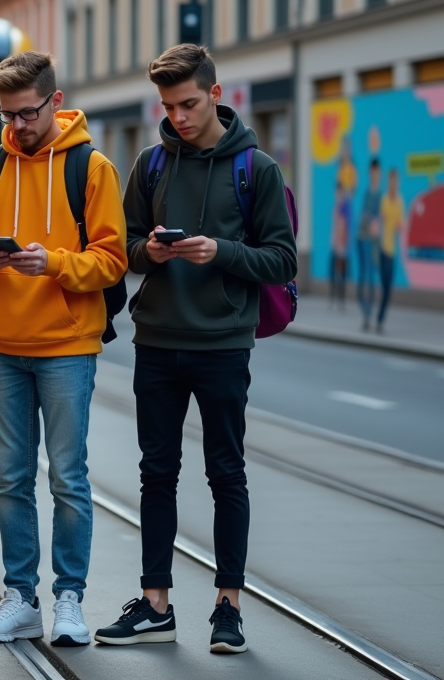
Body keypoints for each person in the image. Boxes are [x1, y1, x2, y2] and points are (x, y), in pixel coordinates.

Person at [95, 44, 296, 654]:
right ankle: (155, 606)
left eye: (187, 104)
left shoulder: (256, 169)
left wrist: (221, 252)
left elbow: (282, 260)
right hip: (157, 342)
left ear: (215, 94)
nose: (178, 117)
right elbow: (123, 249)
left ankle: (228, 607)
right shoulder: (151, 164)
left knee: (225, 473)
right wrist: (150, 252)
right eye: (168, 106)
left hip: (223, 345)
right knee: (156, 474)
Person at [0, 52, 127, 646]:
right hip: (1, 343)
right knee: (12, 479)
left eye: (27, 113)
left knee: (68, 479)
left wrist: (52, 263)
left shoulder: (92, 167)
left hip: (67, 346)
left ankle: (69, 599)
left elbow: (112, 260)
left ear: (55, 101)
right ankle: (20, 599)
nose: (18, 125)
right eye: (7, 114)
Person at [376, 167, 404, 335]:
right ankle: (379, 319)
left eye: (396, 181)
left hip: (392, 251)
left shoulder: (400, 201)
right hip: (382, 249)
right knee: (384, 285)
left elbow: (401, 222)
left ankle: (380, 319)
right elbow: (381, 219)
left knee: (388, 288)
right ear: (389, 182)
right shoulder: (385, 200)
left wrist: (401, 226)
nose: (394, 184)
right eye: (391, 181)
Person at [356, 159, 382, 330]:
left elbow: (379, 219)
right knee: (363, 278)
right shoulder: (367, 194)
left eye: (377, 172)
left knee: (371, 279)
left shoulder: (380, 196)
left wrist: (375, 222)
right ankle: (365, 313)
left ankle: (368, 314)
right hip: (362, 240)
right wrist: (370, 221)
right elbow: (364, 219)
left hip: (373, 243)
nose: (374, 175)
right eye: (372, 171)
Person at [328, 181, 351, 310]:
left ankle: (341, 300)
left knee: (341, 274)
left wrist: (341, 245)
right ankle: (332, 297)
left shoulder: (345, 207)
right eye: (337, 192)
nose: (337, 194)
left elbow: (343, 226)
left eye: (340, 192)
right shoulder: (336, 206)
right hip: (334, 244)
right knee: (332, 272)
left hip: (341, 246)